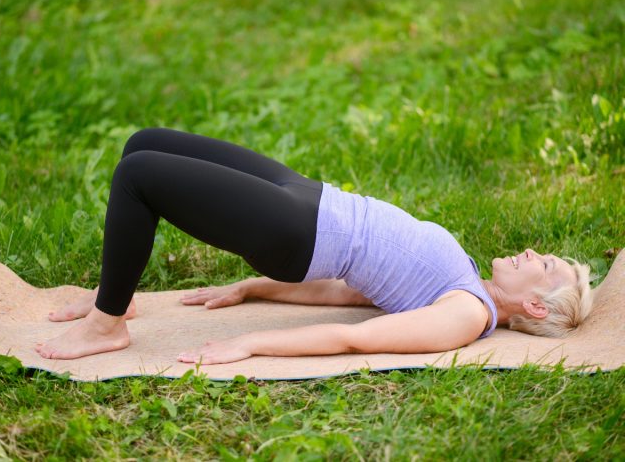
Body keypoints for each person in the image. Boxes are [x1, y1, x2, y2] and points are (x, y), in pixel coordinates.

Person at [34, 128, 594, 364]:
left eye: (542, 265)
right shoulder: (464, 278)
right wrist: (252, 287)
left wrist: (251, 345)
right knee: (145, 144)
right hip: (309, 196)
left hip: (297, 232)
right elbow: (353, 296)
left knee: (140, 176)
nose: (531, 253)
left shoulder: (468, 314)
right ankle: (118, 292)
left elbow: (359, 338)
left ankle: (109, 324)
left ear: (537, 305)